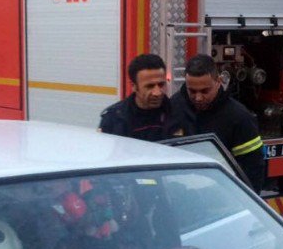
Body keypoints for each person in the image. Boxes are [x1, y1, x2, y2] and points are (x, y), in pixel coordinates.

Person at [170, 54, 266, 193]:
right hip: (178, 198)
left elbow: (252, 170)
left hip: (220, 200)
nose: (198, 98)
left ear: (218, 81)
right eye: (192, 91)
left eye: (205, 91)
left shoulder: (239, 117)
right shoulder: (173, 108)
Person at [99, 53, 182, 141]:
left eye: (161, 85)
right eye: (149, 86)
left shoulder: (178, 112)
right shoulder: (114, 119)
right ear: (134, 86)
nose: (157, 93)